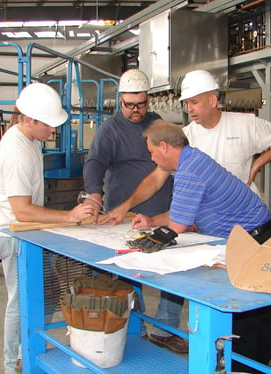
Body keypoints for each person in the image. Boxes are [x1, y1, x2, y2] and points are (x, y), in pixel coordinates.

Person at [131, 120, 271, 373]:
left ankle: (242, 367)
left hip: (252, 240)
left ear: (164, 146)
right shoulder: (191, 160)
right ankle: (259, 363)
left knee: (242, 311)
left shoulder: (189, 170)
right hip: (257, 234)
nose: (153, 159)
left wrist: (148, 242)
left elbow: (178, 224)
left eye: (152, 152)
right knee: (257, 309)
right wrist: (152, 221)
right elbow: (183, 212)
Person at [0, 82, 96, 374]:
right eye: (48, 124)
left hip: (24, 228)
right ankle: (13, 364)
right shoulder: (17, 152)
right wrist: (69, 217)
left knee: (45, 292)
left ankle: (28, 349)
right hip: (10, 231)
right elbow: (21, 210)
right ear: (29, 119)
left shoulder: (30, 141)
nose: (54, 130)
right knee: (21, 300)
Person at [102, 69, 271, 225]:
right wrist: (125, 206)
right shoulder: (186, 137)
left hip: (244, 217)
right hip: (211, 221)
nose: (189, 109)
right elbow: (156, 179)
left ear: (212, 100)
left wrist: (258, 164)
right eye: (187, 103)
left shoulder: (246, 125)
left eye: (194, 102)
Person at [82, 69, 187, 353]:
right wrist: (94, 194)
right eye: (129, 105)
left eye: (141, 104)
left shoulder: (158, 125)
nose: (136, 110)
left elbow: (166, 168)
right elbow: (94, 162)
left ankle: (165, 330)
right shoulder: (110, 129)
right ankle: (136, 329)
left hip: (162, 212)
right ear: (120, 101)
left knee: (174, 272)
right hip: (125, 214)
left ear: (148, 100)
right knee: (130, 273)